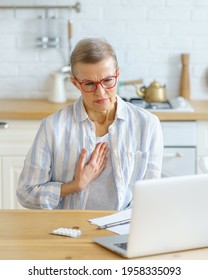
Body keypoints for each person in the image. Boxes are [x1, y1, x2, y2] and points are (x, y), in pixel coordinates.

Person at [16, 37, 163, 210]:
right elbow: (26, 193)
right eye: (89, 84)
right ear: (75, 83)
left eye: (108, 80)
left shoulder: (147, 125)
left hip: (124, 229)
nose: (101, 93)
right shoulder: (52, 127)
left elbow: (150, 196)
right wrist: (75, 185)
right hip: (68, 231)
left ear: (118, 74)